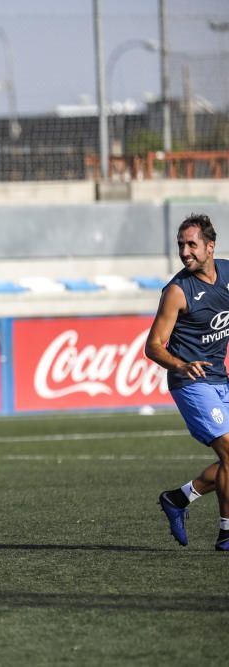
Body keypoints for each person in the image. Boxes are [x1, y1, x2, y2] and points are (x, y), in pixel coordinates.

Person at [146, 214, 229, 551]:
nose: (184, 251)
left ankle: (179, 498)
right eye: (181, 245)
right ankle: (227, 533)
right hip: (190, 384)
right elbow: (152, 346)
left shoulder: (227, 274)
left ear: (210, 247)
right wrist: (181, 364)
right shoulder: (178, 291)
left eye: (191, 244)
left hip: (220, 378)